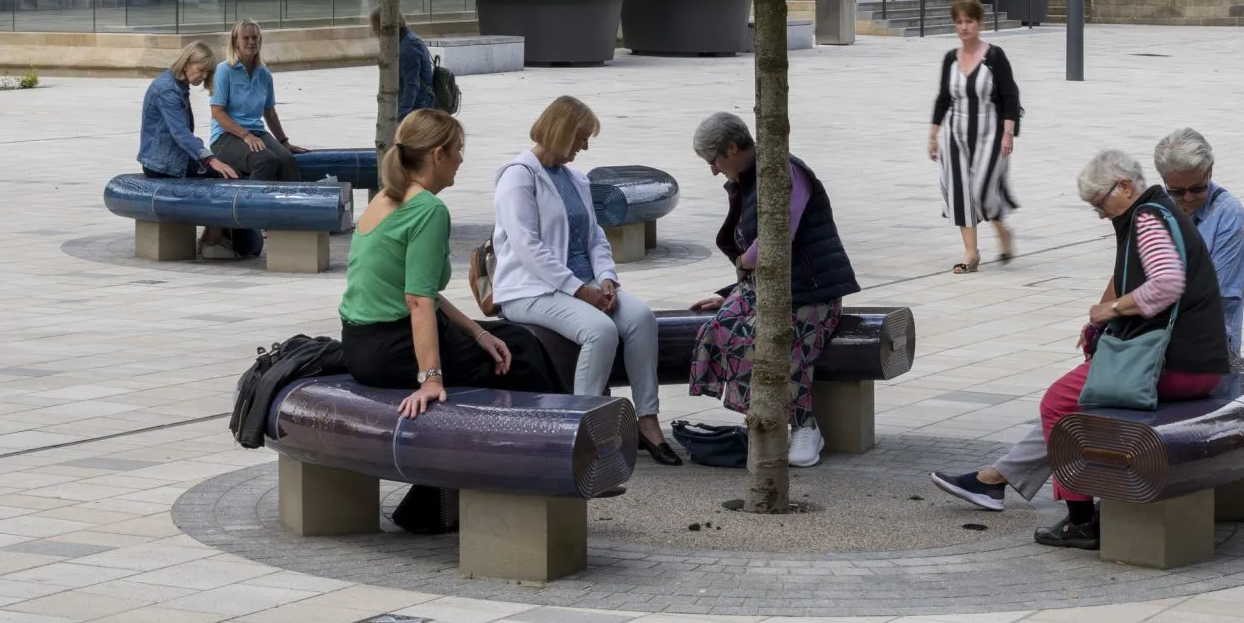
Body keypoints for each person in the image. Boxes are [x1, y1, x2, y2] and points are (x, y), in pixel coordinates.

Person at [929, 150, 1232, 550]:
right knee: (1078, 396)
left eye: (1100, 204)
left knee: (1058, 402)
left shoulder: (1146, 219)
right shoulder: (1156, 211)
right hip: (1196, 358)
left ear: (1124, 186)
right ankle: (995, 481)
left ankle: (1081, 518)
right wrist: (1100, 322)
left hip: (1175, 362)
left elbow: (1166, 284)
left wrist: (1112, 309)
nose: (1102, 215)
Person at [339, 108, 555, 532]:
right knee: (520, 358)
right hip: (393, 345)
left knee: (508, 339)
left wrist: (476, 333)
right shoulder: (428, 210)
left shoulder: (386, 199)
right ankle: (554, 466)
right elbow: (418, 302)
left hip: (362, 342)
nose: (461, 160)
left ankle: (434, 501)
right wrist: (431, 380)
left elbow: (422, 293)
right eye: (458, 151)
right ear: (438, 154)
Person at [491, 96, 675, 464]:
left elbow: (595, 237)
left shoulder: (576, 178)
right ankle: (580, 428)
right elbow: (527, 247)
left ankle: (648, 419)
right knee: (600, 331)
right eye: (580, 136)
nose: (585, 145)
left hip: (584, 284)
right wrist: (580, 290)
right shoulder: (517, 176)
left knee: (640, 317)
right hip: (531, 289)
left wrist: (606, 278)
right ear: (560, 132)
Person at [688, 110, 861, 466]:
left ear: (732, 148)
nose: (713, 170)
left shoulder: (784, 171)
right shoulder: (748, 179)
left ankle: (804, 425)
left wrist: (744, 265)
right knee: (721, 330)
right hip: (768, 287)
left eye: (714, 160)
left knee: (776, 341)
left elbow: (774, 241)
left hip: (813, 291)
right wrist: (728, 291)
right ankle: (766, 418)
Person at [929, 0, 1022, 273]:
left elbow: (1010, 97)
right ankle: (971, 253)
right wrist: (933, 136)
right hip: (955, 135)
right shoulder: (950, 59)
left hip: (990, 134)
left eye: (969, 21)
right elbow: (943, 99)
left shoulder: (995, 57)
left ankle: (1003, 232)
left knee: (982, 190)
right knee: (961, 192)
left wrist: (1008, 134)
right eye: (959, 22)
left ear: (979, 23)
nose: (964, 27)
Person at [139, 39, 251, 257]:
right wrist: (210, 159)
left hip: (168, 158)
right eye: (201, 70)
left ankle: (212, 237)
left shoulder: (176, 85)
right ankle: (212, 241)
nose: (202, 77)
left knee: (226, 171)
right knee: (224, 176)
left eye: (207, 73)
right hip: (162, 163)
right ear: (187, 63)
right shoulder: (167, 90)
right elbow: (180, 133)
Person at [1155, 127, 1244, 356]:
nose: (1187, 198)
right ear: (1165, 181)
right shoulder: (1158, 208)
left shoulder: (1229, 215)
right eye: (1177, 191)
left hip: (1206, 345)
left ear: (1209, 172)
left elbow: (1213, 296)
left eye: (1198, 188)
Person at [210, 20, 300, 181]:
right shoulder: (224, 71)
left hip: (256, 132)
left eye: (255, 38)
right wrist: (245, 136)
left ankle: (290, 203)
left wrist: (283, 142)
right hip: (225, 137)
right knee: (266, 161)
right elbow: (217, 112)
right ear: (235, 42)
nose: (251, 42)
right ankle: (248, 204)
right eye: (246, 38)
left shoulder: (264, 73)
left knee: (287, 160)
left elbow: (269, 112)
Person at [373, 8, 434, 122]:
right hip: (417, 108)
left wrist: (402, 116)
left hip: (418, 110)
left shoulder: (408, 46)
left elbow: (411, 84)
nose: (374, 32)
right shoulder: (403, 41)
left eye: (375, 28)